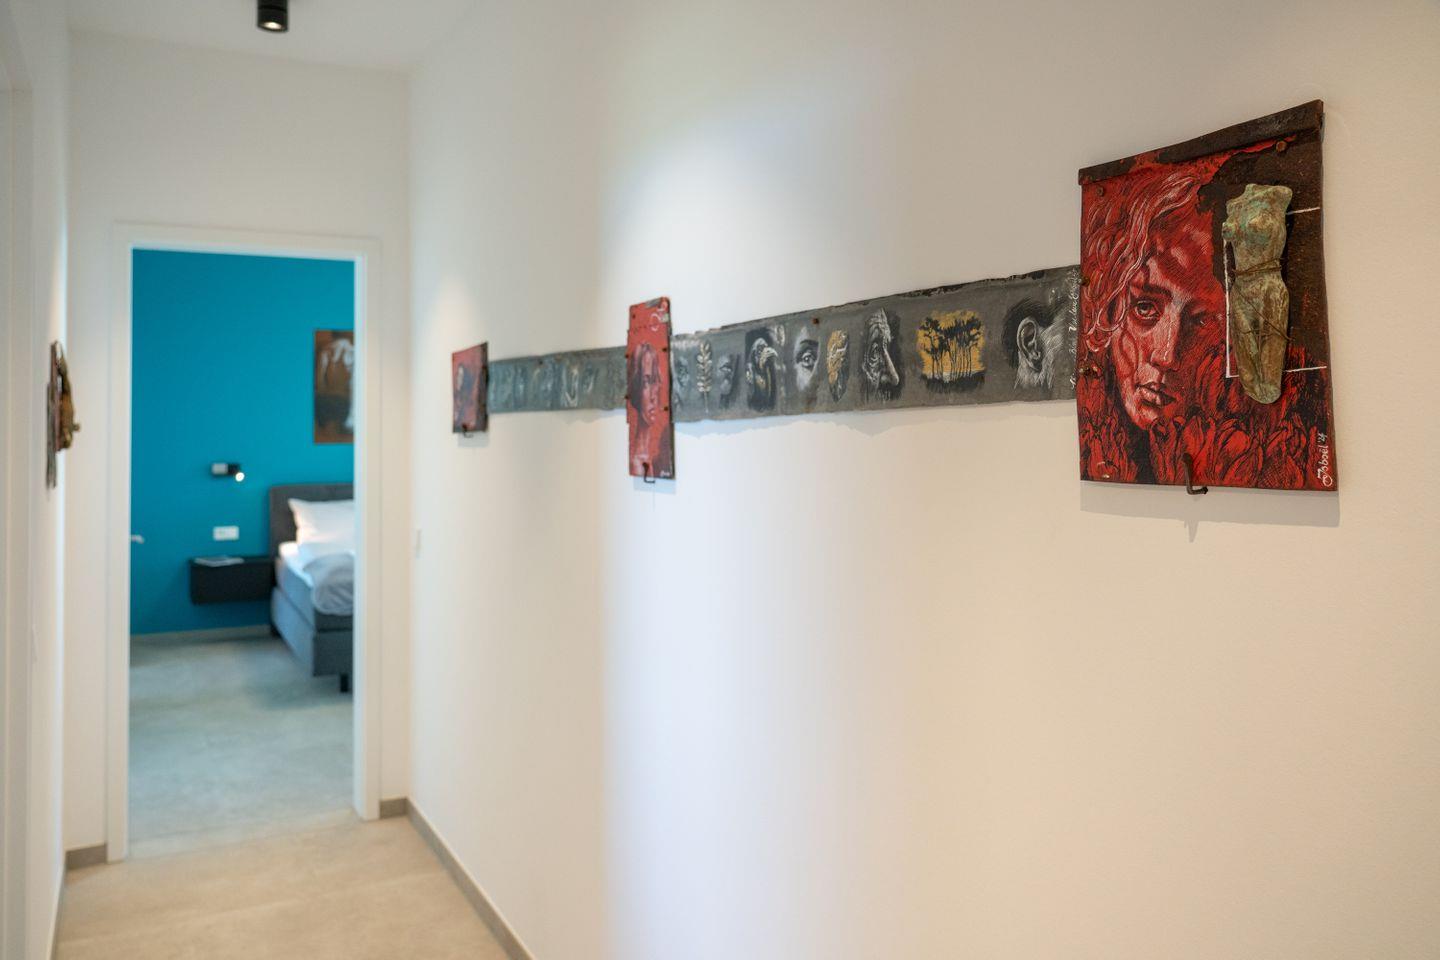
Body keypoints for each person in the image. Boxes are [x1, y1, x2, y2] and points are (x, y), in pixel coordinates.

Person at [627, 341, 672, 477]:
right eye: (646, 383)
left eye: (655, 381)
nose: (653, 396)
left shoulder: (656, 453)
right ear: (636, 388)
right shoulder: (638, 463)